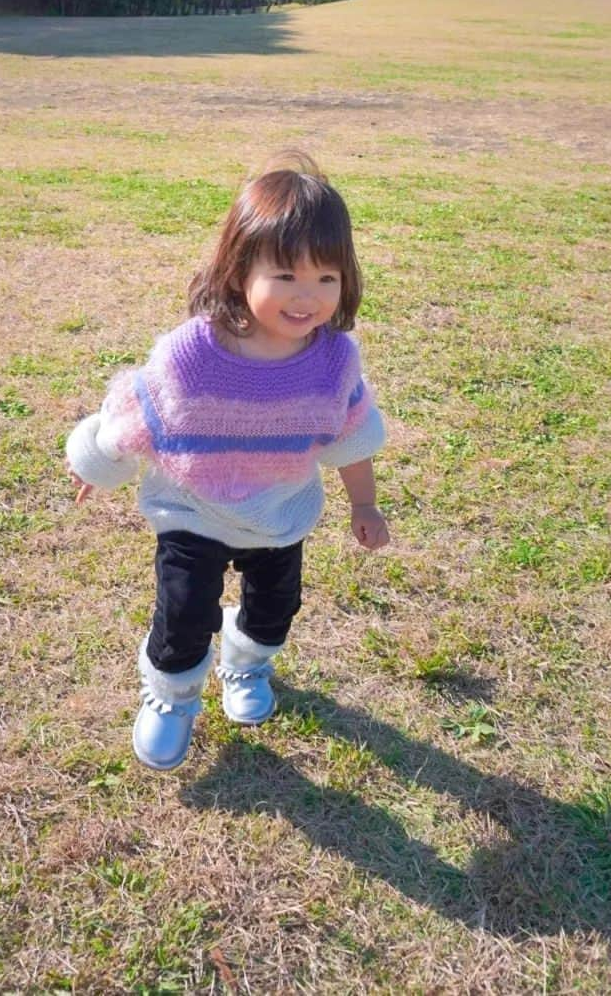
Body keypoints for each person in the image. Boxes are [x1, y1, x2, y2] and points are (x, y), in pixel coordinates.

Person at [65, 152, 389, 771]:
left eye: (327, 278)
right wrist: (97, 462)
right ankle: (173, 697)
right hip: (192, 509)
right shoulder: (193, 355)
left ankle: (248, 664)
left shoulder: (333, 363)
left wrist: (365, 503)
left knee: (275, 609)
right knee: (184, 612)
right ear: (240, 268)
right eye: (286, 276)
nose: (308, 297)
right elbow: (134, 419)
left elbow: (352, 437)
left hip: (279, 513)